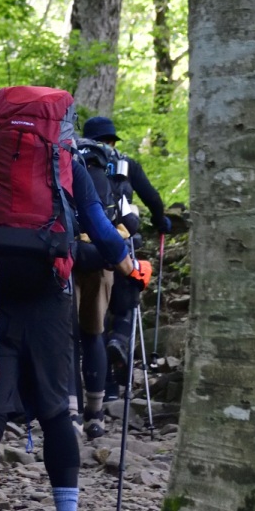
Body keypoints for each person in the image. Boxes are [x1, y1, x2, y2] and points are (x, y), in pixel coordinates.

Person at [0, 137, 150, 511]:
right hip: (48, 299)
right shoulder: (65, 162)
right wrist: (130, 269)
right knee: (54, 415)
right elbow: (101, 230)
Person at [80, 117, 170, 377]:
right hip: (121, 241)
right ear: (111, 140)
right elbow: (151, 197)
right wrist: (159, 220)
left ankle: (92, 373)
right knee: (127, 292)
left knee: (92, 316)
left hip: (83, 247)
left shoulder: (75, 160)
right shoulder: (126, 163)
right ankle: (119, 338)